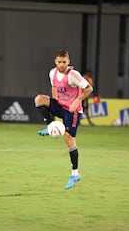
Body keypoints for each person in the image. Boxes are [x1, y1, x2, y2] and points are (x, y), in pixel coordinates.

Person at [34, 50, 93, 189]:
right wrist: (55, 101)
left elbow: (89, 89)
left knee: (69, 139)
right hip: (61, 106)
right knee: (39, 99)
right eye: (59, 62)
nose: (61, 65)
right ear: (55, 61)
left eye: (64, 62)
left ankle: (75, 174)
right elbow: (54, 86)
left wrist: (76, 101)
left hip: (73, 110)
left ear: (69, 61)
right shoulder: (52, 73)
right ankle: (50, 126)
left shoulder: (73, 75)